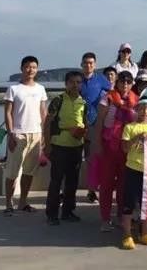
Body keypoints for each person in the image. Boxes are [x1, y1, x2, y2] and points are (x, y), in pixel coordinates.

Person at [93, 70, 138, 232]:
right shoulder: (107, 98)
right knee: (106, 184)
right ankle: (105, 219)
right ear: (117, 83)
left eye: (128, 82)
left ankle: (121, 217)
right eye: (122, 81)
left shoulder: (136, 100)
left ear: (132, 84)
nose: (125, 84)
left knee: (124, 184)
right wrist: (98, 144)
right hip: (109, 145)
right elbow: (99, 122)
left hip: (127, 146)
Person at [3, 55, 48, 216]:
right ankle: (9, 203)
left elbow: (43, 113)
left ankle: (23, 202)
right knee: (12, 172)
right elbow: (8, 113)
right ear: (22, 68)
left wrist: (44, 134)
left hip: (36, 134)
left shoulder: (40, 89)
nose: (31, 70)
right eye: (28, 67)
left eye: (34, 67)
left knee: (29, 172)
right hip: (19, 134)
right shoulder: (13, 89)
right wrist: (11, 134)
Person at [44, 71, 87, 225]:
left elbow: (85, 123)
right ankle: (52, 214)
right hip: (59, 146)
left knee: (72, 182)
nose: (75, 85)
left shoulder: (83, 102)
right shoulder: (58, 100)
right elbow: (47, 123)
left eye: (78, 82)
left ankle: (68, 212)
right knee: (56, 181)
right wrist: (47, 145)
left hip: (76, 146)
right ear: (66, 84)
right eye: (72, 82)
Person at [120, 88, 147, 250]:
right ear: (136, 110)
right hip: (132, 169)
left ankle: (144, 233)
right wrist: (137, 137)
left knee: (146, 204)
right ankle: (127, 235)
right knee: (129, 203)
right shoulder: (129, 127)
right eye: (142, 108)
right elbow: (124, 148)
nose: (145, 112)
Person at [80, 52, 111, 203]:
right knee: (74, 159)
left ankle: (91, 190)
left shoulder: (101, 80)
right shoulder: (77, 80)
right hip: (77, 123)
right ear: (81, 64)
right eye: (86, 63)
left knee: (92, 158)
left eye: (91, 63)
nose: (88, 65)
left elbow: (111, 94)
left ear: (95, 65)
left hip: (94, 123)